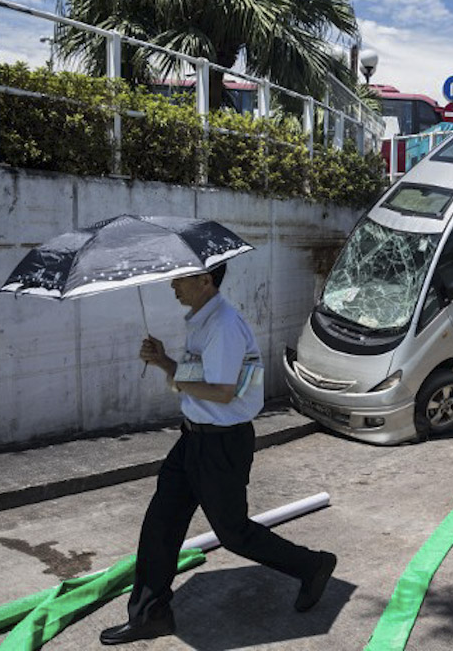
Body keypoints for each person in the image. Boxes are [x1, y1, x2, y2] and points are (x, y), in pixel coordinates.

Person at [100, 264, 337, 645]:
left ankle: (312, 565)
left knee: (234, 534)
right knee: (161, 524)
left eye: (180, 278)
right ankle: (150, 614)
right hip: (193, 439)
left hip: (222, 443)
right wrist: (163, 361)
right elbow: (202, 380)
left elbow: (223, 392)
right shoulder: (202, 321)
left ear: (205, 281)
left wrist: (173, 373)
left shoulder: (224, 326)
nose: (172, 285)